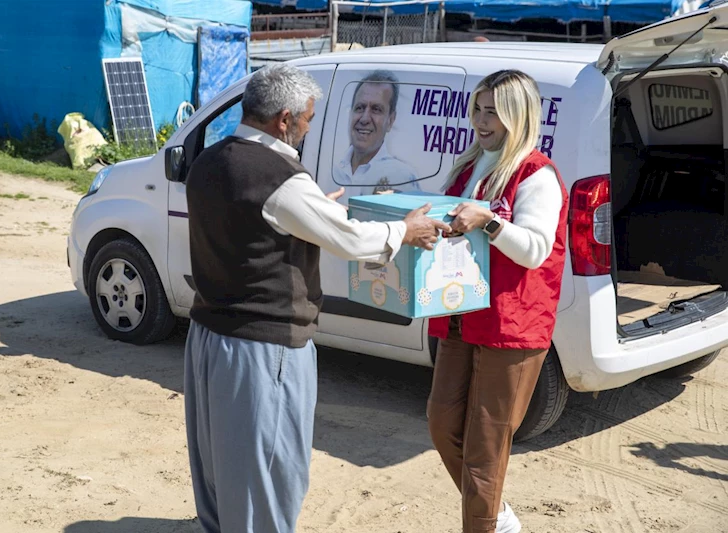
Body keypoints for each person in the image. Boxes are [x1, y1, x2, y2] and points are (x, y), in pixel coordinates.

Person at [184, 63, 451, 533]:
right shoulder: (277, 175)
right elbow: (347, 240)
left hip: (210, 336)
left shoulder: (211, 158)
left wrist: (312, 209)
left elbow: (250, 226)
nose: (310, 128)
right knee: (269, 471)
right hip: (263, 346)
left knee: (221, 466)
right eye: (307, 119)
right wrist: (405, 230)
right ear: (283, 119)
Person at [426, 69, 569, 533]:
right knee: (442, 423)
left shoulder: (536, 173)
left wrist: (489, 222)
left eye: (494, 112)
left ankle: (486, 524)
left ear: (518, 116)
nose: (482, 121)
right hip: (460, 317)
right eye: (478, 109)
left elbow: (535, 248)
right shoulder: (470, 166)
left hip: (512, 326)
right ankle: (500, 518)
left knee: (485, 451)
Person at [332, 69, 421, 195]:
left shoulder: (402, 177)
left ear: (390, 120)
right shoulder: (333, 169)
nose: (364, 118)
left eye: (376, 109)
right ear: (351, 112)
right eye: (360, 108)